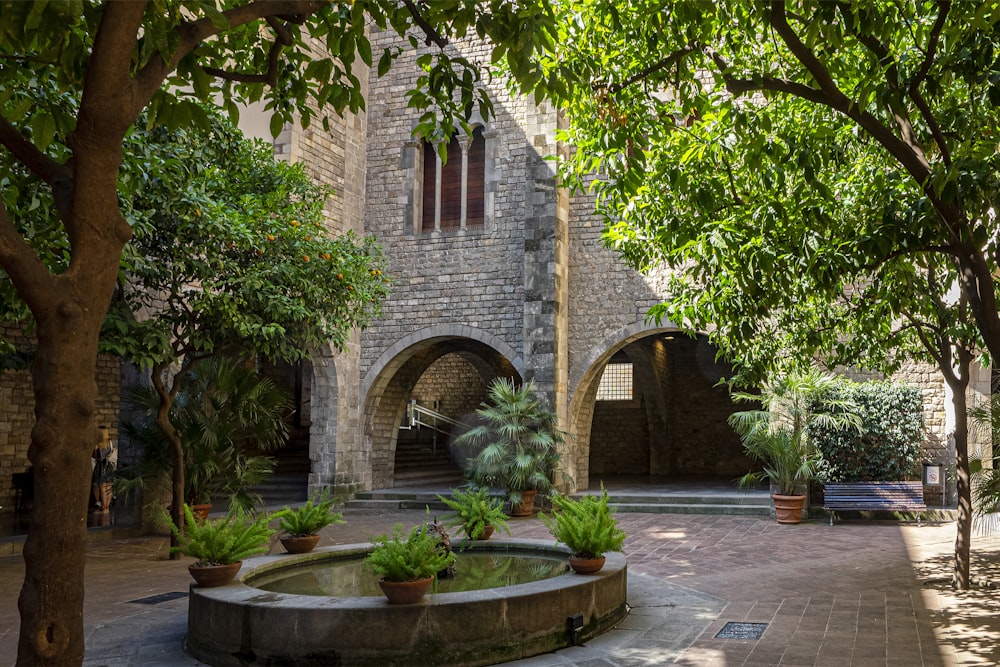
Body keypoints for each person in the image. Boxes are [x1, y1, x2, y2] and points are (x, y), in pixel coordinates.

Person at [91, 425, 116, 512]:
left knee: (103, 486)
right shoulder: (109, 443)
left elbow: (96, 456)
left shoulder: (99, 444)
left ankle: (104, 505)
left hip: (102, 465)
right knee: (108, 486)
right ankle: (106, 506)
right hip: (109, 465)